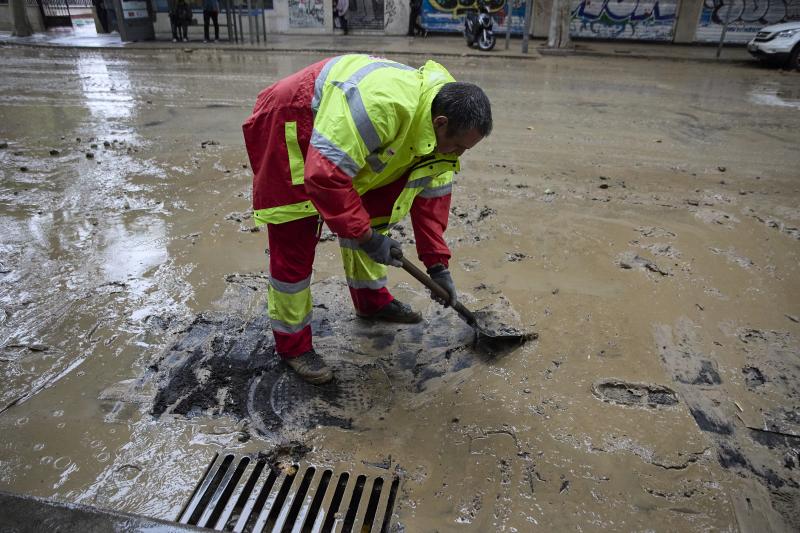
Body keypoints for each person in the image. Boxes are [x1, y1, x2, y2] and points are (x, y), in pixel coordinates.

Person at [242, 55, 492, 384]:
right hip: (294, 120)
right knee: (295, 240)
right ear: (441, 123)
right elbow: (324, 176)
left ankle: (372, 302)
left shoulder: (442, 124)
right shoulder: (381, 107)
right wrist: (366, 238)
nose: (459, 155)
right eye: (458, 147)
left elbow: (432, 201)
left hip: (344, 139)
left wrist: (438, 266)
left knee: (376, 215)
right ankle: (293, 345)